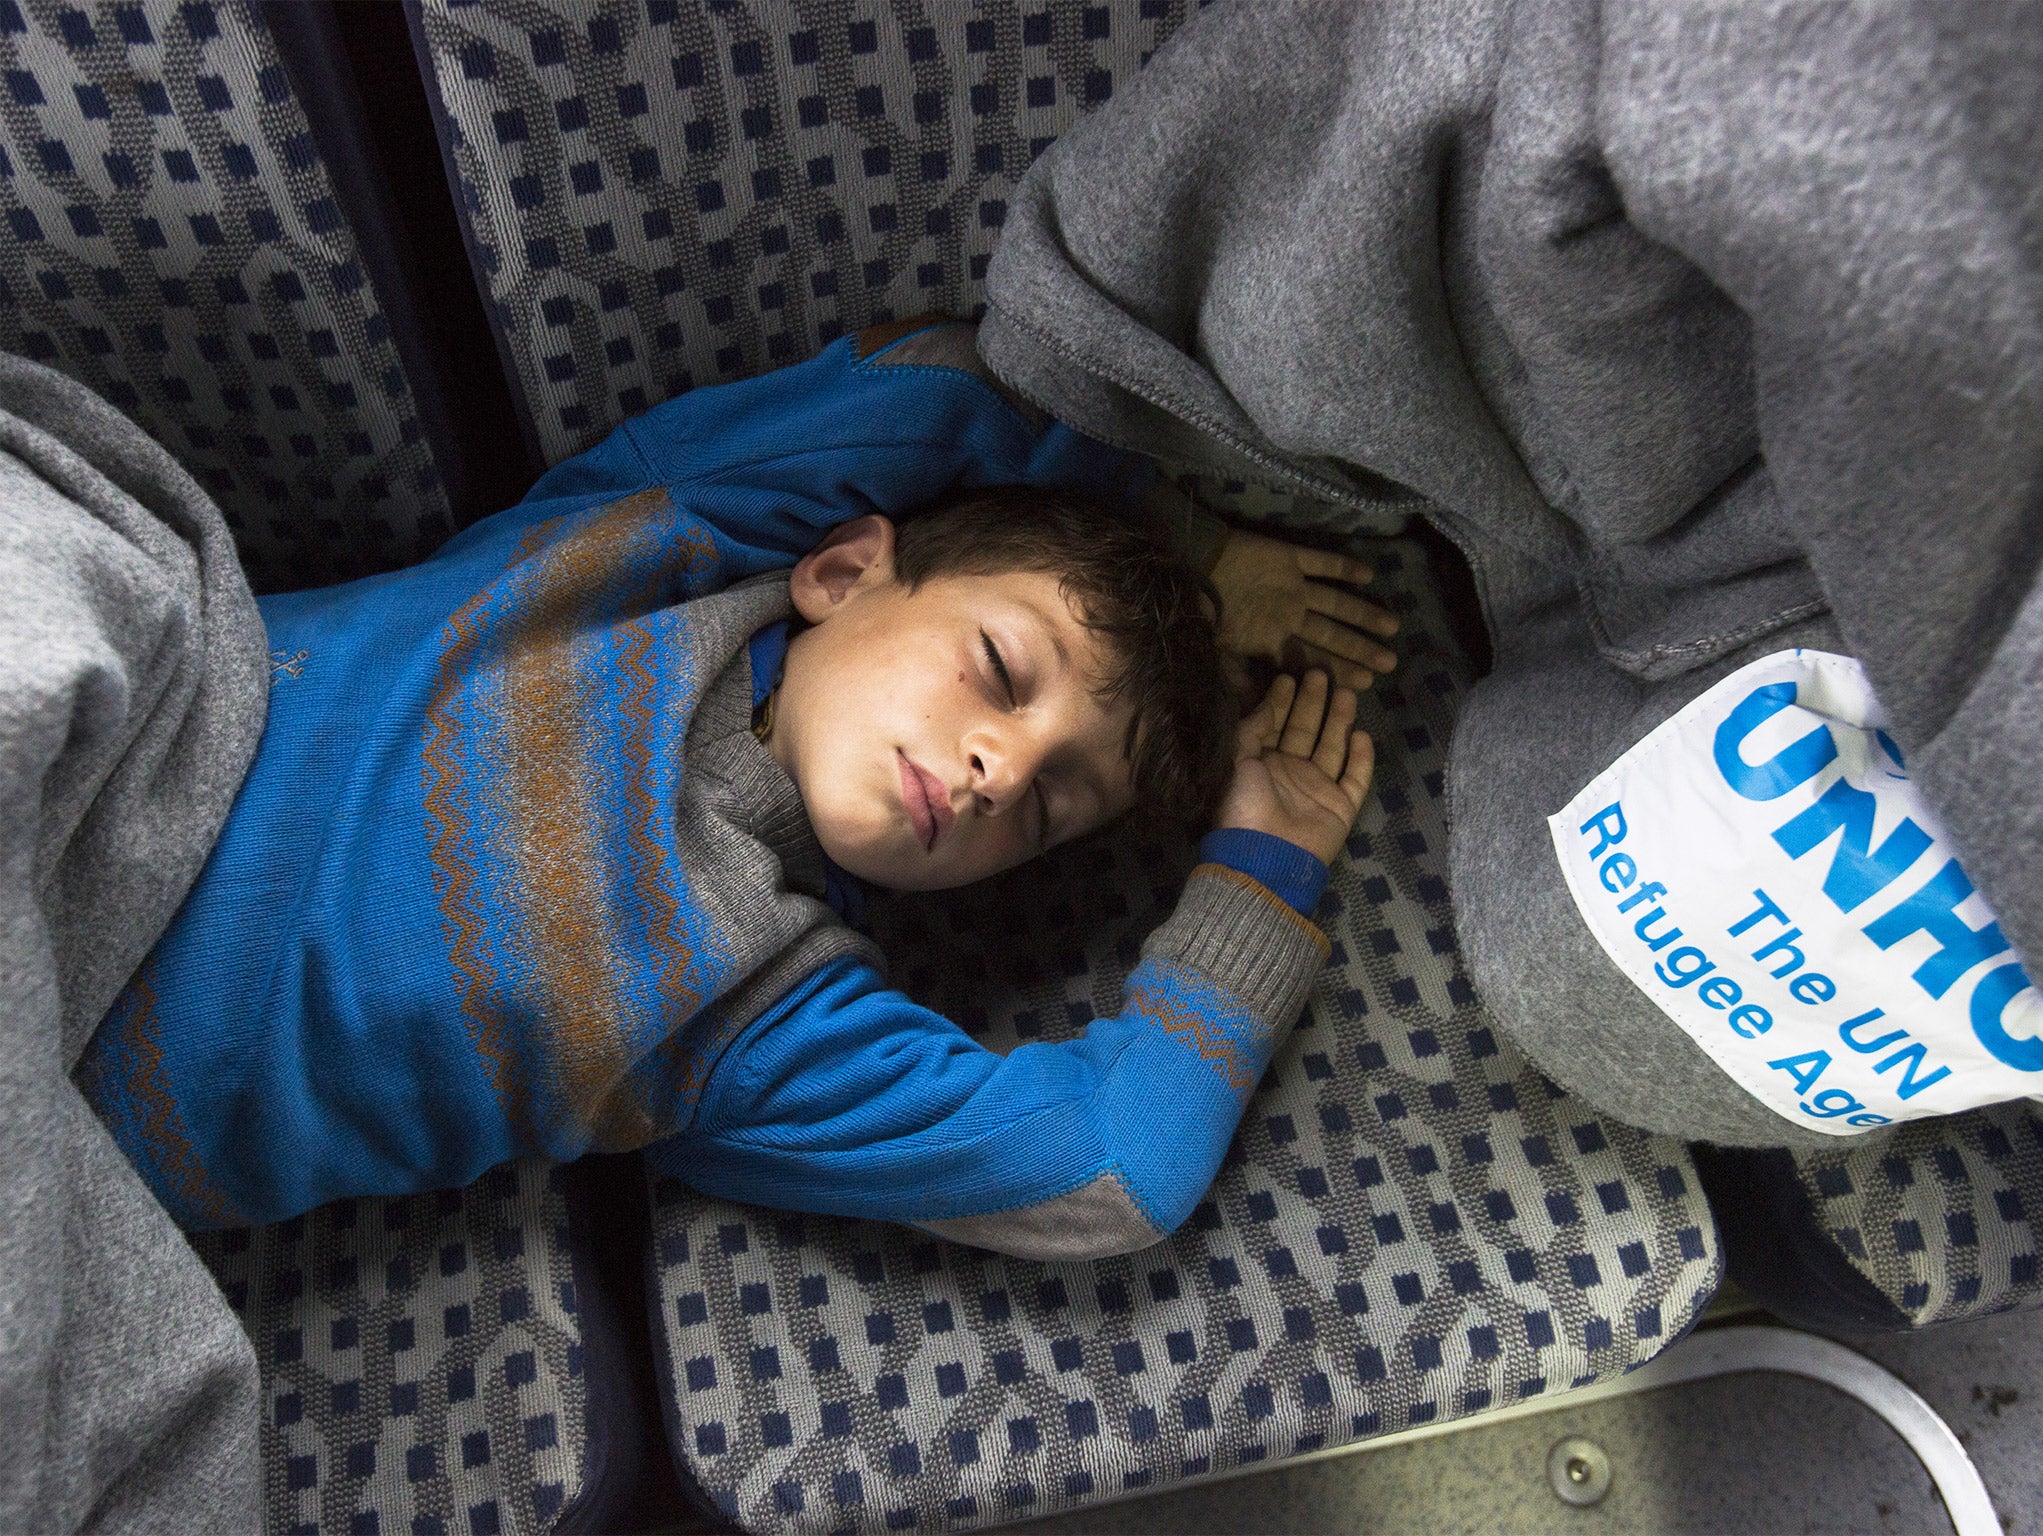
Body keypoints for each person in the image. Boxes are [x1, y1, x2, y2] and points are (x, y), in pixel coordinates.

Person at [75, 320, 1394, 1260]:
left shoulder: (765, 1016)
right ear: (842, 573)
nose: (1004, 768)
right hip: (113, 721)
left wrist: (1262, 864)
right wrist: (1191, 544)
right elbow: (949, 380)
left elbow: (1111, 1167)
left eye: (1051, 805)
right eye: (997, 671)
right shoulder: (665, 543)